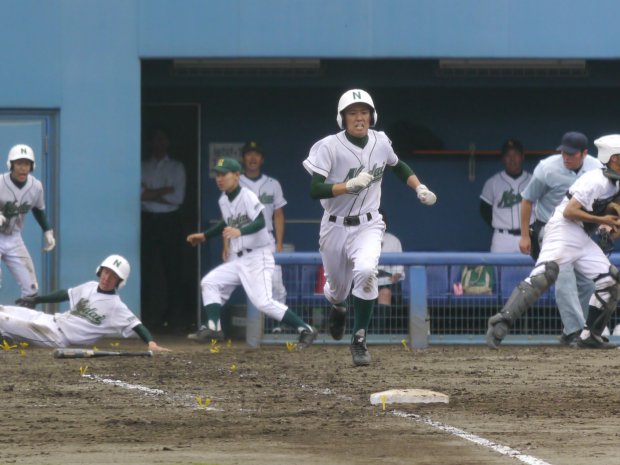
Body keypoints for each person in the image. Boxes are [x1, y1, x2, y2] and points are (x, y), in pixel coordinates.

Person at [302, 89, 437, 366]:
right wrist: (346, 186)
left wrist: (418, 186)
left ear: (372, 116)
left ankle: (359, 339)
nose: (359, 118)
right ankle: (338, 306)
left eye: (364, 112)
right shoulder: (329, 146)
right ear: (343, 118)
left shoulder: (380, 141)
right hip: (334, 226)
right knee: (338, 290)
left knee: (365, 272)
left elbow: (397, 166)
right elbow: (315, 189)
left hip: (369, 223)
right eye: (352, 113)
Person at [487, 134, 620, 350]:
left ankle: (590, 335)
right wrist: (601, 220)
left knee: (610, 281)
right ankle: (501, 321)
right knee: (544, 275)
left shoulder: (615, 182)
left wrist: (607, 228)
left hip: (582, 236)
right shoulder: (595, 179)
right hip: (562, 228)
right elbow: (570, 212)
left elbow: (607, 212)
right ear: (613, 159)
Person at [186, 158, 317, 348]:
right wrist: (205, 236)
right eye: (218, 174)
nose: (219, 178)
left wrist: (240, 231)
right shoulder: (223, 199)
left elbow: (260, 222)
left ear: (237, 176)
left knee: (263, 302)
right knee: (209, 282)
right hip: (238, 258)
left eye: (224, 174)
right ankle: (213, 327)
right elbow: (226, 222)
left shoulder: (247, 195)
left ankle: (305, 329)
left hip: (258, 256)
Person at [518, 132, 601, 345]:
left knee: (589, 283)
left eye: (571, 154)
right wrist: (525, 235)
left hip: (581, 231)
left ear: (584, 153)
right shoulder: (547, 168)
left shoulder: (596, 168)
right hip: (551, 228)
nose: (566, 156)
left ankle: (579, 332)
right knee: (564, 277)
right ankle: (574, 331)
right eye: (563, 152)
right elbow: (527, 200)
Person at [0, 254, 170, 352]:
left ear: (120, 281)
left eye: (113, 276)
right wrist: (36, 299)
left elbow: (137, 325)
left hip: (56, 338)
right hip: (49, 320)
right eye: (106, 272)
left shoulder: (116, 306)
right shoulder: (90, 286)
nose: (107, 278)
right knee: (3, 309)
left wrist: (151, 343)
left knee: (3, 320)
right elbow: (64, 295)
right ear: (100, 271)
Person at [233, 142, 288, 332]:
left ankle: (279, 326)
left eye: (256, 154)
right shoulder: (236, 183)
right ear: (243, 158)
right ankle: (226, 327)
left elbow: (279, 214)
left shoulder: (272, 184)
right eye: (249, 154)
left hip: (267, 239)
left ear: (262, 159)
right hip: (242, 241)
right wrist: (226, 246)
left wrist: (279, 244)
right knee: (236, 283)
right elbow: (228, 217)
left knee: (277, 283)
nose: (253, 158)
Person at [141, 128, 187, 331]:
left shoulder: (177, 167)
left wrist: (151, 193)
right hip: (148, 220)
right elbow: (139, 195)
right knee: (147, 269)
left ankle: (175, 318)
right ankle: (149, 317)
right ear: (152, 142)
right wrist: (163, 191)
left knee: (173, 269)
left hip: (170, 221)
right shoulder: (142, 165)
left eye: (163, 139)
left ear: (168, 142)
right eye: (156, 139)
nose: (160, 143)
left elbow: (178, 198)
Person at [0, 144, 55, 302]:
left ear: (32, 166)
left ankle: (21, 325)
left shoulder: (36, 186)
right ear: (11, 164)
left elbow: (38, 209)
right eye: (19, 163)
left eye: (27, 164)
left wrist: (47, 231)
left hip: (14, 238)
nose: (23, 168)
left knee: (31, 290)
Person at [480, 139, 532, 253]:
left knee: (532, 270)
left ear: (522, 157)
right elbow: (484, 210)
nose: (512, 159)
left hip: (528, 236)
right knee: (498, 270)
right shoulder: (492, 182)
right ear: (503, 159)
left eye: (516, 155)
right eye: (508, 155)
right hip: (502, 237)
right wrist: (500, 223)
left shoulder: (533, 181)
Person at [376, 208, 405, 329]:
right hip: (365, 280)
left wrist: (393, 278)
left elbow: (398, 269)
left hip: (387, 281)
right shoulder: (360, 240)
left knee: (385, 293)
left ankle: (378, 333)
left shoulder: (393, 241)